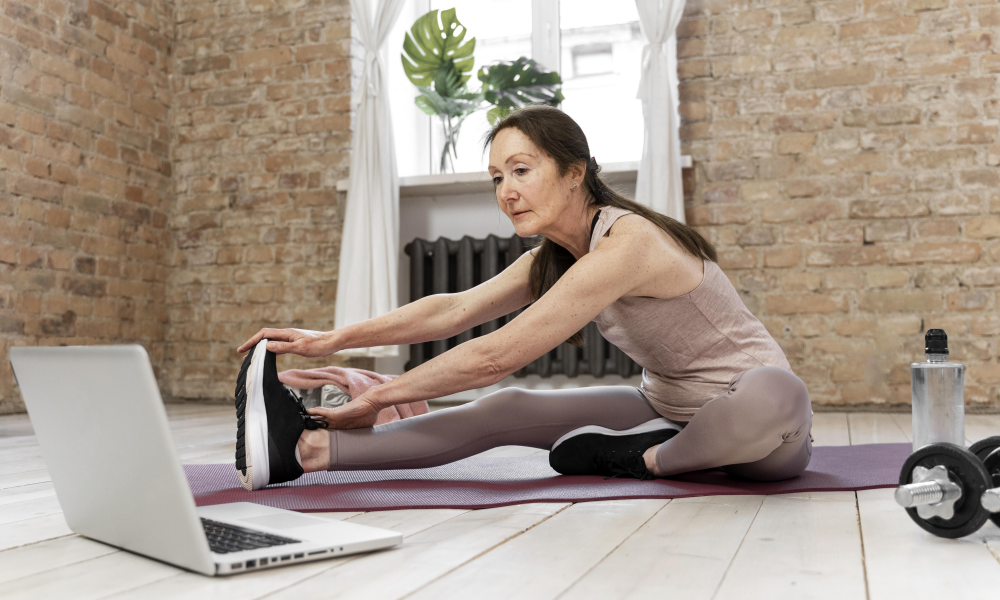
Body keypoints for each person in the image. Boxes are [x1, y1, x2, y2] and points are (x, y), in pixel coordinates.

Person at [232, 105, 812, 492]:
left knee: (777, 389)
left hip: (763, 435)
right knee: (504, 408)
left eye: (521, 170)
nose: (506, 192)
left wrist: (384, 395)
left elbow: (495, 356)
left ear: (574, 173)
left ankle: (648, 460)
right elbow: (456, 308)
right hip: (663, 410)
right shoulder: (557, 255)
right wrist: (328, 339)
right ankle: (305, 452)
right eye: (496, 178)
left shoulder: (629, 243)